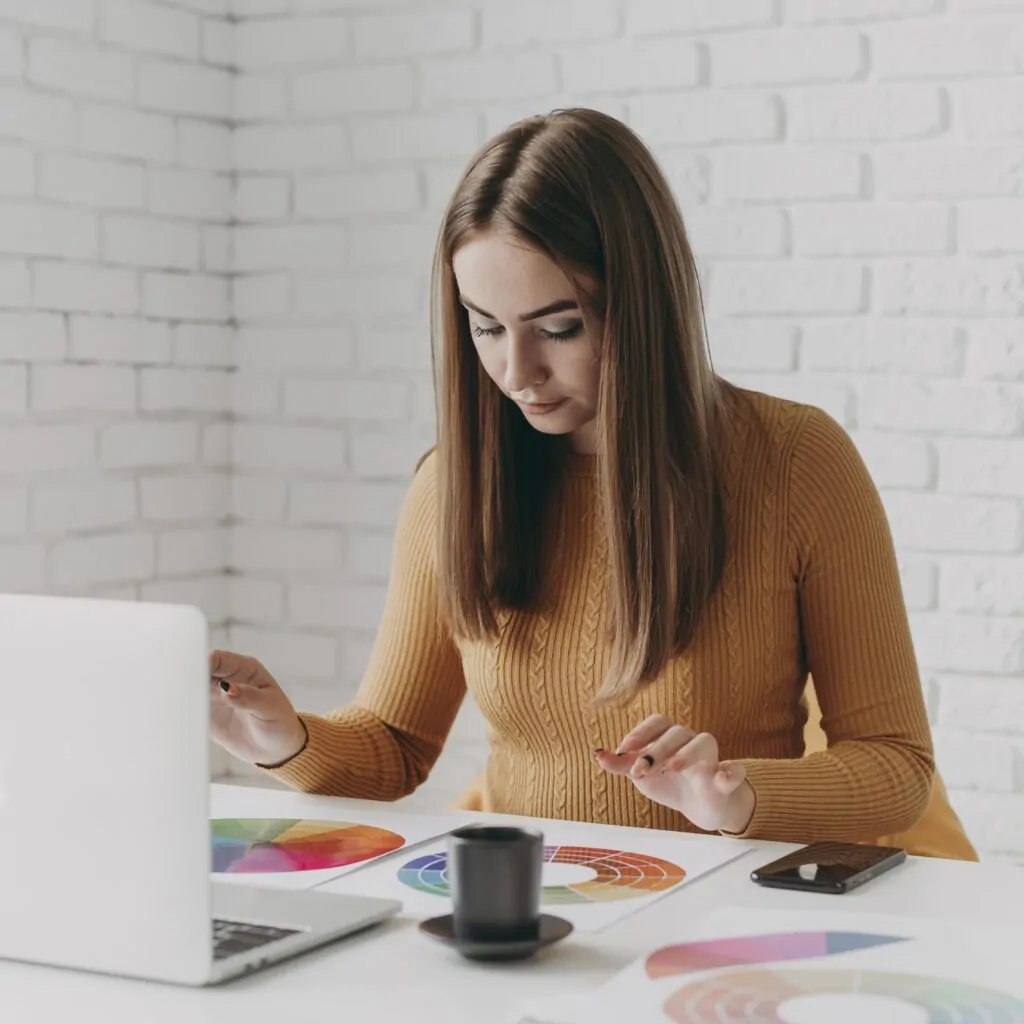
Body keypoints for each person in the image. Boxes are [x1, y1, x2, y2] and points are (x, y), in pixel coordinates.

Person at [211, 107, 975, 859]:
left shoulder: (797, 462)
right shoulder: (451, 487)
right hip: (528, 921)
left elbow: (895, 767)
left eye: (558, 328)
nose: (516, 372)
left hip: (720, 924)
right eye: (485, 327)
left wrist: (736, 796)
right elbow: (395, 746)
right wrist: (287, 739)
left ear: (642, 304)